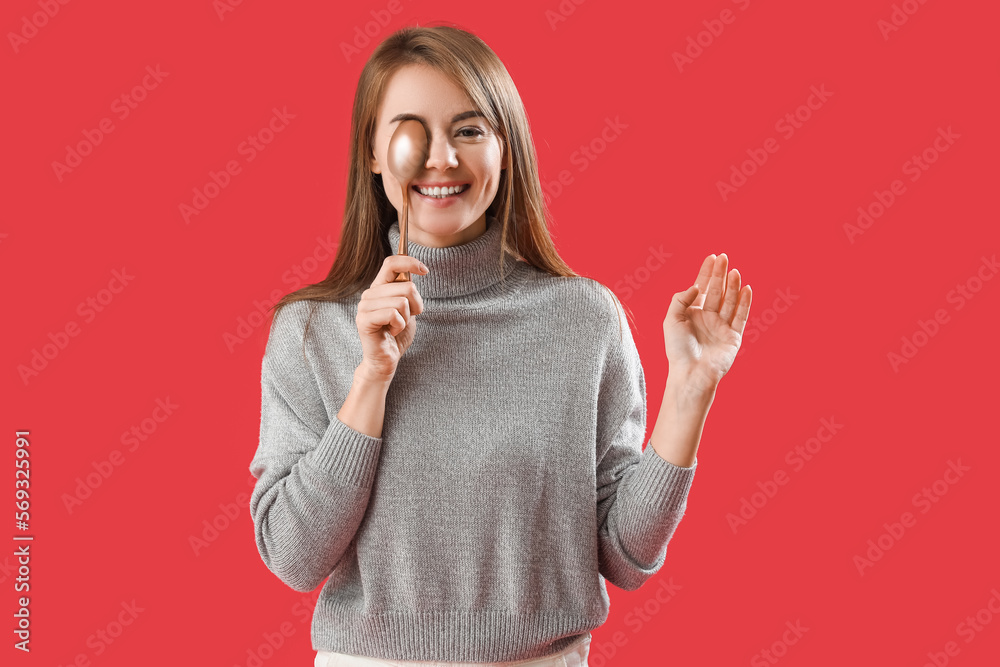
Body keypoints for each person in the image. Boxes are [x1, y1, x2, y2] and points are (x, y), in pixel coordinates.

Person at [248, 23, 752, 667]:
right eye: (411, 131)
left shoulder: (584, 319)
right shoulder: (312, 330)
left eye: (468, 130)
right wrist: (370, 378)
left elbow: (626, 556)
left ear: (506, 148)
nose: (441, 159)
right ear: (372, 154)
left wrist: (691, 388)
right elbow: (293, 556)